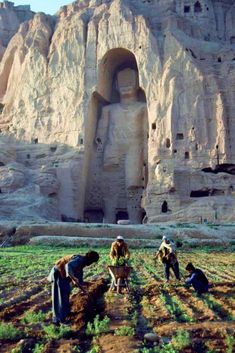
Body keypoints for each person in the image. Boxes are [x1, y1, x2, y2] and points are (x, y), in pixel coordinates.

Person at [48, 251, 99, 324]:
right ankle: (58, 319)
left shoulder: (82, 264)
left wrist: (84, 289)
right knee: (60, 296)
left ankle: (66, 313)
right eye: (92, 262)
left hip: (63, 276)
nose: (91, 264)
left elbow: (79, 281)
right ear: (90, 259)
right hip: (58, 273)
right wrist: (73, 278)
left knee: (66, 293)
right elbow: (68, 266)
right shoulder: (79, 259)